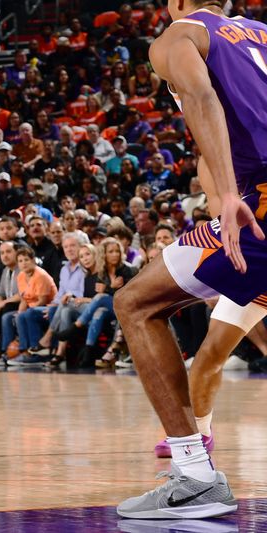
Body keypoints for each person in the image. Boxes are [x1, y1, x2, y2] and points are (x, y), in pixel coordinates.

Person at [115, 0, 267, 519]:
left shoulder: (178, 37)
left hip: (258, 206)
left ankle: (194, 475)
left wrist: (227, 194)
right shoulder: (260, 34)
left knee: (136, 304)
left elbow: (203, 100)